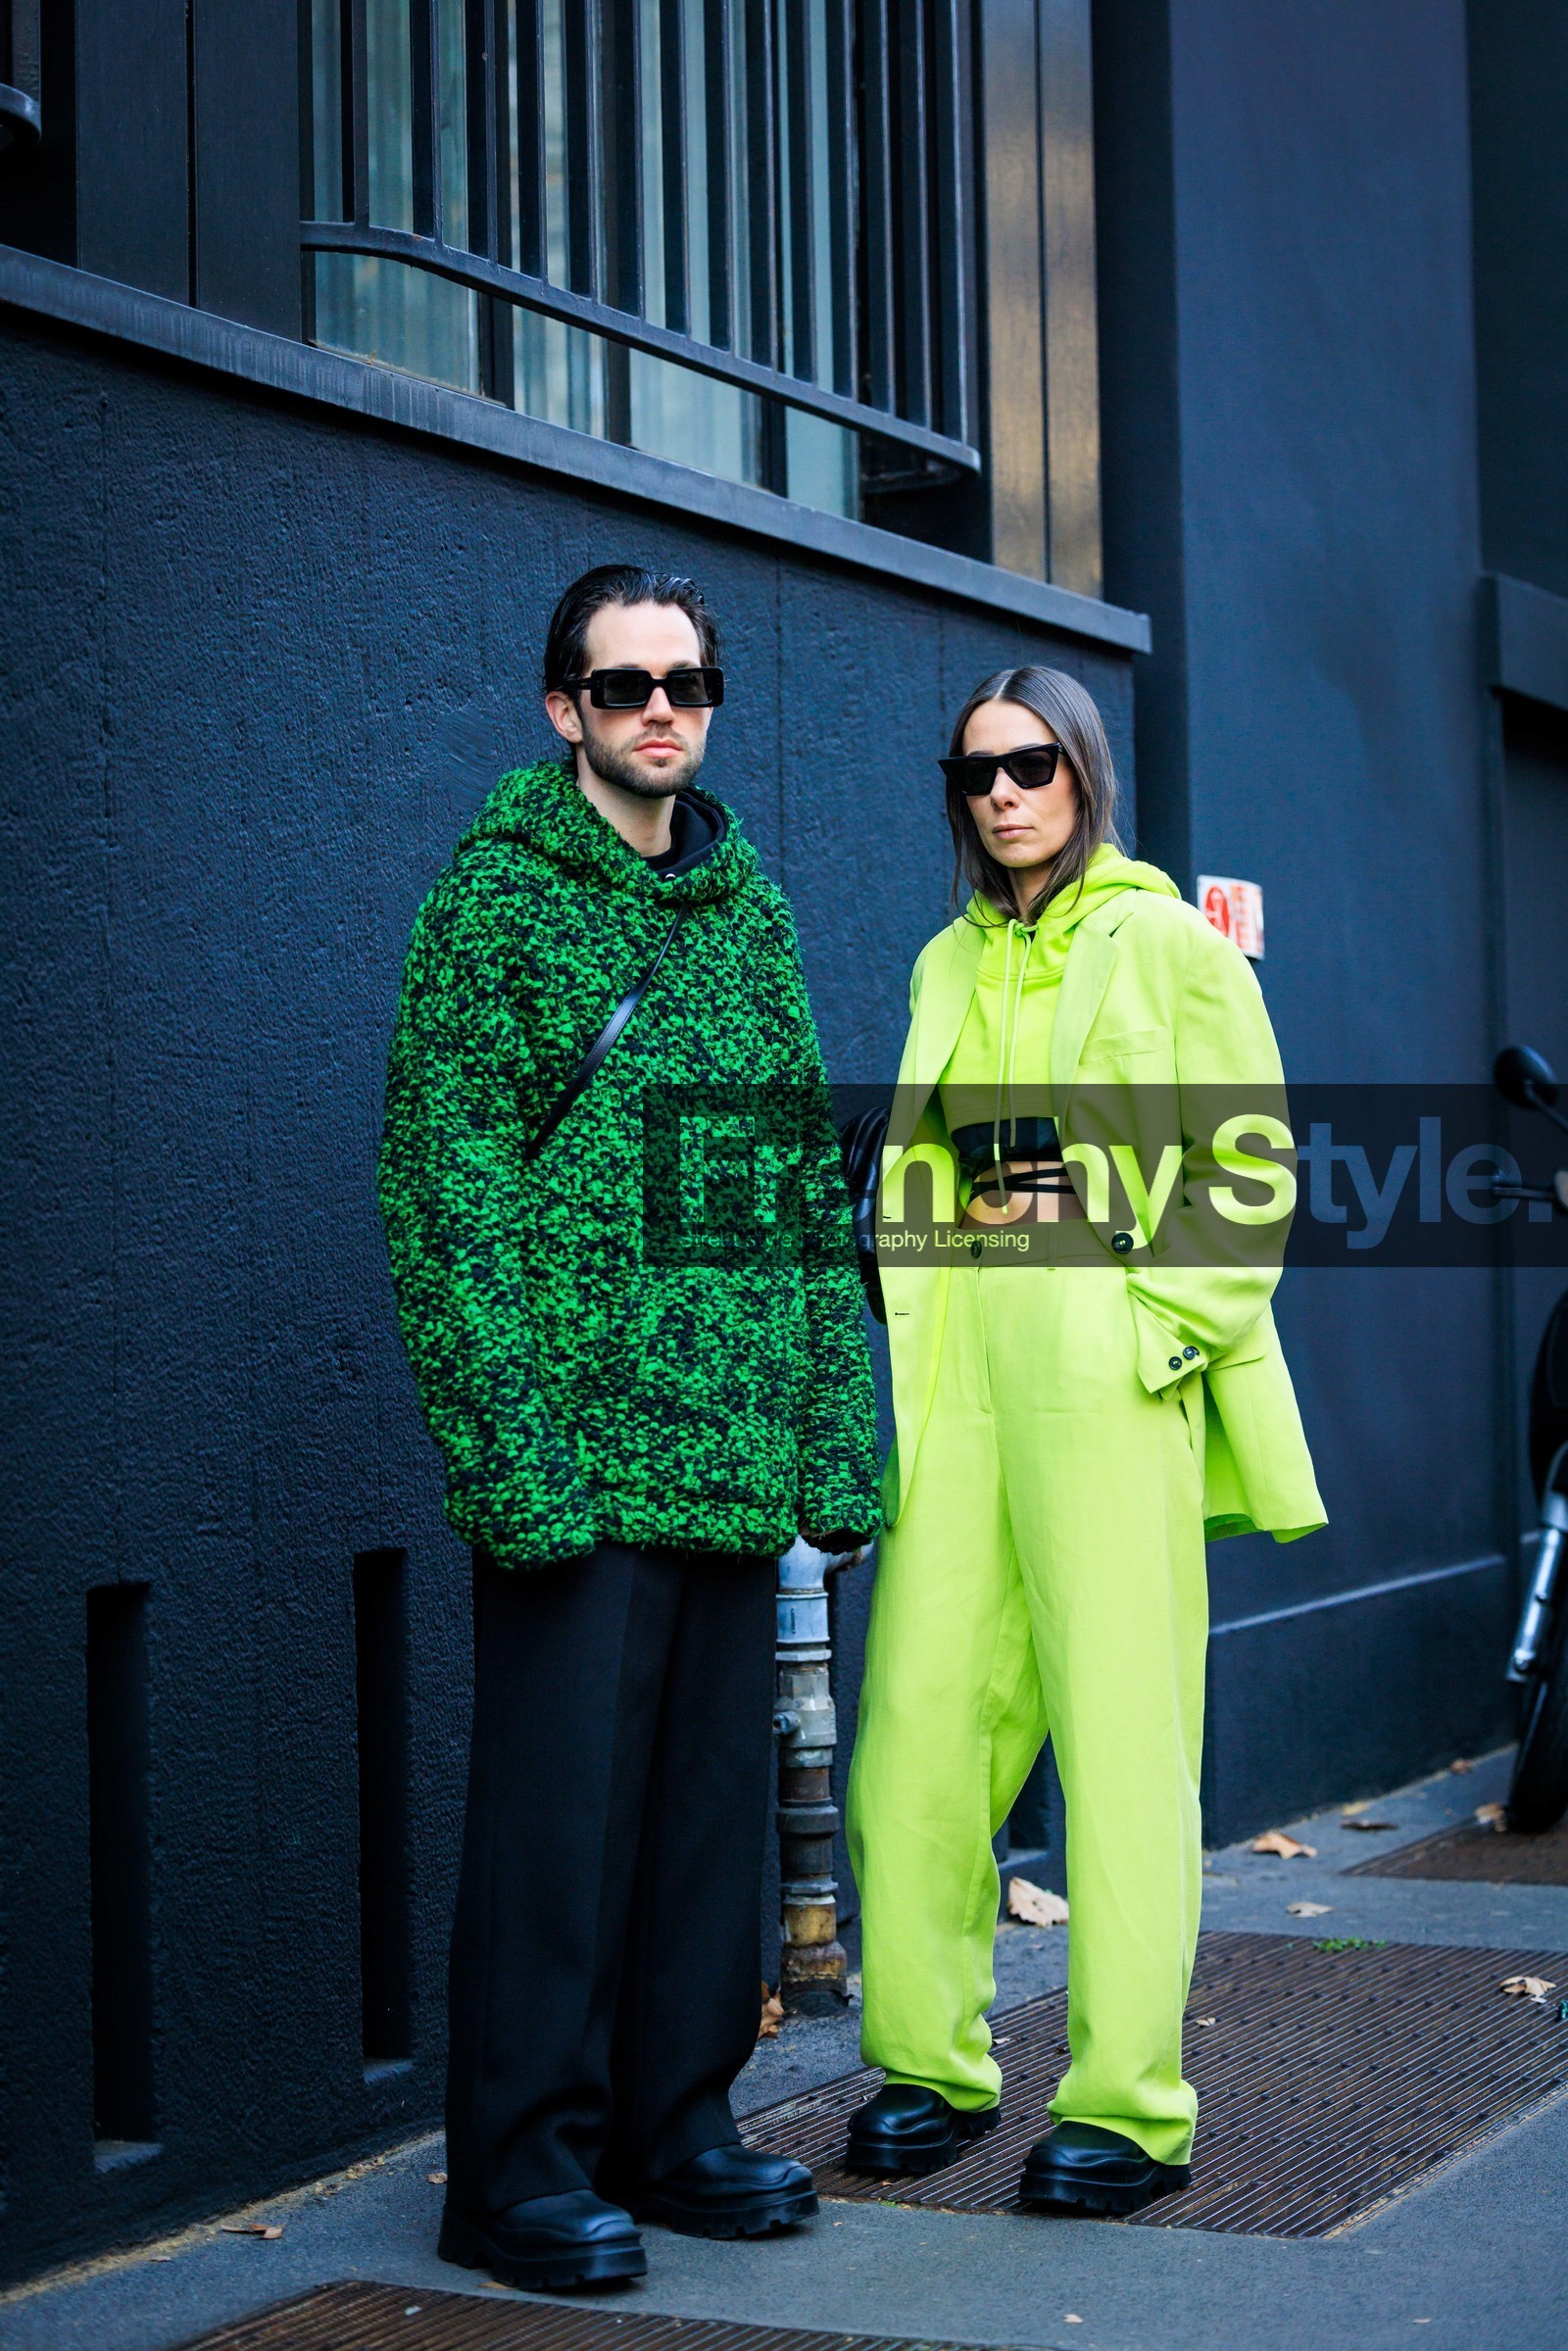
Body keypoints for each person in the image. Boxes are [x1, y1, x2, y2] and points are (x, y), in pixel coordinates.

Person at [377, 563, 880, 2290]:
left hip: (729, 1450)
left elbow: (800, 1194)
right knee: (558, 1827)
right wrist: (511, 1455)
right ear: (561, 708)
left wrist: (836, 1437)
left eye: (684, 682)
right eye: (620, 685)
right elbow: (444, 1199)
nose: (657, 709)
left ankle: (681, 2128)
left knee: (698, 1817)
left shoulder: (755, 916)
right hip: (574, 1461)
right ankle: (519, 2172)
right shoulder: (495, 906)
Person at [844, 664, 1324, 2214]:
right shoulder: (939, 962)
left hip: (1106, 1391)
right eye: (974, 772)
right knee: (917, 1736)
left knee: (1121, 1755)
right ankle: (931, 2065)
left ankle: (1129, 2107)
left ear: (1083, 772)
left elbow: (1248, 1174)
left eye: (1031, 763)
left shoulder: (1170, 943)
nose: (1001, 793)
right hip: (958, 1390)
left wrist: (1142, 1325)